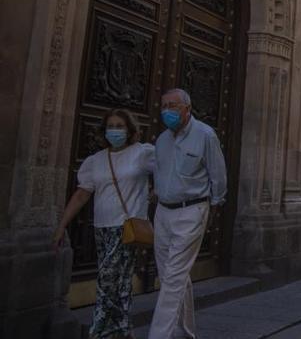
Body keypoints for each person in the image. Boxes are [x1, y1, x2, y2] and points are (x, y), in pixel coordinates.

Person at [53, 109, 154, 339]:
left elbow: (168, 172)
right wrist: (61, 226)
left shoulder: (143, 153)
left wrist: (155, 193)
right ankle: (123, 330)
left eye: (120, 126)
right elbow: (81, 195)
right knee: (118, 282)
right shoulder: (95, 161)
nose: (115, 130)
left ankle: (99, 332)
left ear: (129, 130)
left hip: (126, 228)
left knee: (108, 279)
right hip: (101, 228)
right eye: (111, 126)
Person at [150, 89, 227, 339]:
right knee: (171, 274)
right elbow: (159, 173)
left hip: (192, 210)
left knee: (172, 277)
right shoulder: (161, 140)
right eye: (163, 106)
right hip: (163, 212)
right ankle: (184, 331)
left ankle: (158, 335)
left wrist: (214, 207)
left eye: (172, 105)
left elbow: (218, 175)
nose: (167, 110)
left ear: (187, 108)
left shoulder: (205, 135)